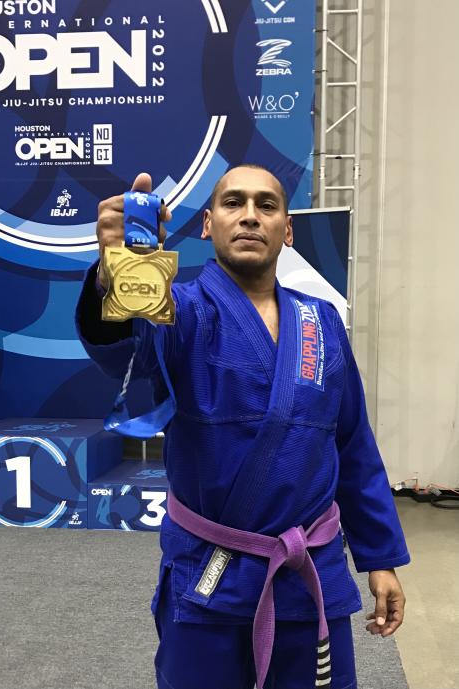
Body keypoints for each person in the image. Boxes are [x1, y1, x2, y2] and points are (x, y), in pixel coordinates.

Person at [76, 167, 409, 689]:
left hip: (308, 572)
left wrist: (380, 557)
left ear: (287, 229)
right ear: (208, 224)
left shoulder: (322, 322)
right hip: (211, 573)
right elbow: (125, 351)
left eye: (267, 205)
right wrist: (111, 274)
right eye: (233, 203)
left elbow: (353, 446)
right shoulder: (178, 309)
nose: (250, 216)